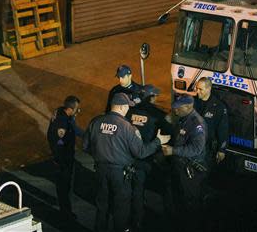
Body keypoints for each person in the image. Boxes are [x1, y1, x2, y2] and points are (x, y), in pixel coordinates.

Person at [83, 93, 170, 232]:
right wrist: (158, 141)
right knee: (121, 206)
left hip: (100, 170)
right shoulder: (128, 128)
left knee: (102, 205)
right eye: (127, 106)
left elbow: (85, 146)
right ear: (123, 107)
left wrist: (100, 156)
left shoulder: (96, 122)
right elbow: (141, 152)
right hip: (120, 173)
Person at [126, 84, 174, 230]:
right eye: (155, 96)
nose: (156, 98)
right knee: (166, 188)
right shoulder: (157, 115)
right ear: (151, 97)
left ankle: (135, 222)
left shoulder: (129, 112)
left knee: (134, 192)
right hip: (150, 160)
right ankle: (167, 221)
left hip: (130, 159)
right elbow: (170, 134)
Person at [162, 94, 207, 232]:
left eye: (178, 108)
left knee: (190, 202)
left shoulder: (196, 123)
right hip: (179, 166)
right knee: (175, 198)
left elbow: (196, 148)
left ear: (189, 106)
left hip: (190, 170)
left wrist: (173, 151)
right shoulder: (183, 118)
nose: (175, 110)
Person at [47, 95, 83, 220]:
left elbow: (74, 128)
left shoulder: (62, 112)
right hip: (63, 160)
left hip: (63, 158)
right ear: (70, 109)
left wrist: (86, 135)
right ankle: (65, 213)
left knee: (64, 187)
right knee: (64, 187)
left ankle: (64, 208)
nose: (78, 111)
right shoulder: (62, 122)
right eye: (77, 109)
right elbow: (58, 141)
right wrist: (60, 160)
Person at [194, 77, 229, 170]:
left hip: (207, 148)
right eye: (196, 88)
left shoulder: (219, 107)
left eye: (200, 89)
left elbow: (223, 129)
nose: (197, 91)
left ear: (208, 89)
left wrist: (222, 150)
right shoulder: (192, 102)